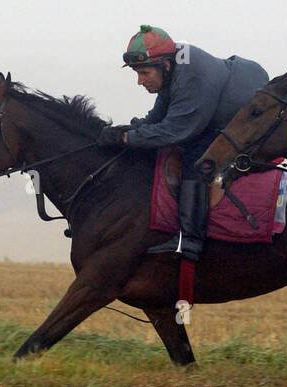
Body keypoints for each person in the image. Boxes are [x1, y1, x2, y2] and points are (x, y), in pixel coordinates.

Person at [97, 25, 270, 259]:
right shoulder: (174, 68)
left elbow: (174, 132)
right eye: (137, 73)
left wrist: (127, 138)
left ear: (165, 66)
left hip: (248, 117)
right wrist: (127, 129)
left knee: (196, 152)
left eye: (144, 73)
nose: (139, 81)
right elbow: (156, 119)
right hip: (228, 95)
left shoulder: (191, 77)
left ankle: (189, 240)